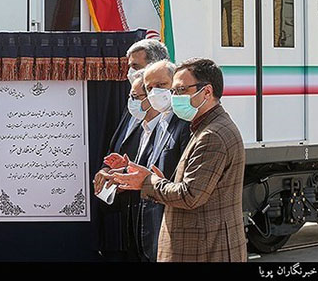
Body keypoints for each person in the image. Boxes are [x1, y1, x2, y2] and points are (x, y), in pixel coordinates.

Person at [113, 58, 247, 262]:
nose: (174, 97)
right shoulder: (204, 127)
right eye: (174, 91)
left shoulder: (212, 135)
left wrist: (149, 182)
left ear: (207, 92)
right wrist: (156, 180)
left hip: (203, 250)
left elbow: (190, 195)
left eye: (181, 90)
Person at [93, 39, 169, 261]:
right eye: (129, 66)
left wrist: (130, 173)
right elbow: (118, 151)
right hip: (129, 222)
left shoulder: (171, 119)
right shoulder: (133, 108)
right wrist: (108, 170)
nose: (129, 72)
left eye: (135, 66)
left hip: (154, 224)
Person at [136, 60, 190, 262]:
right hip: (154, 226)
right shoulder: (160, 122)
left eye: (161, 85)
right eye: (149, 88)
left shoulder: (186, 124)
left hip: (174, 227)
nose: (155, 92)